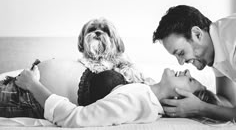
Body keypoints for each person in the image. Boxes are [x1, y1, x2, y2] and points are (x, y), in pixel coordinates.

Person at [15, 64, 216, 127]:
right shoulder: (143, 91)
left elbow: (76, 118)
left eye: (190, 81)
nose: (188, 72)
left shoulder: (136, 103)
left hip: (24, 97)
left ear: (178, 99)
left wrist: (32, 85)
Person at [152, 5, 236, 121]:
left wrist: (200, 108)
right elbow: (228, 103)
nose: (181, 63)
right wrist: (193, 101)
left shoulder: (232, 43)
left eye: (181, 53)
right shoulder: (215, 51)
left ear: (197, 34)